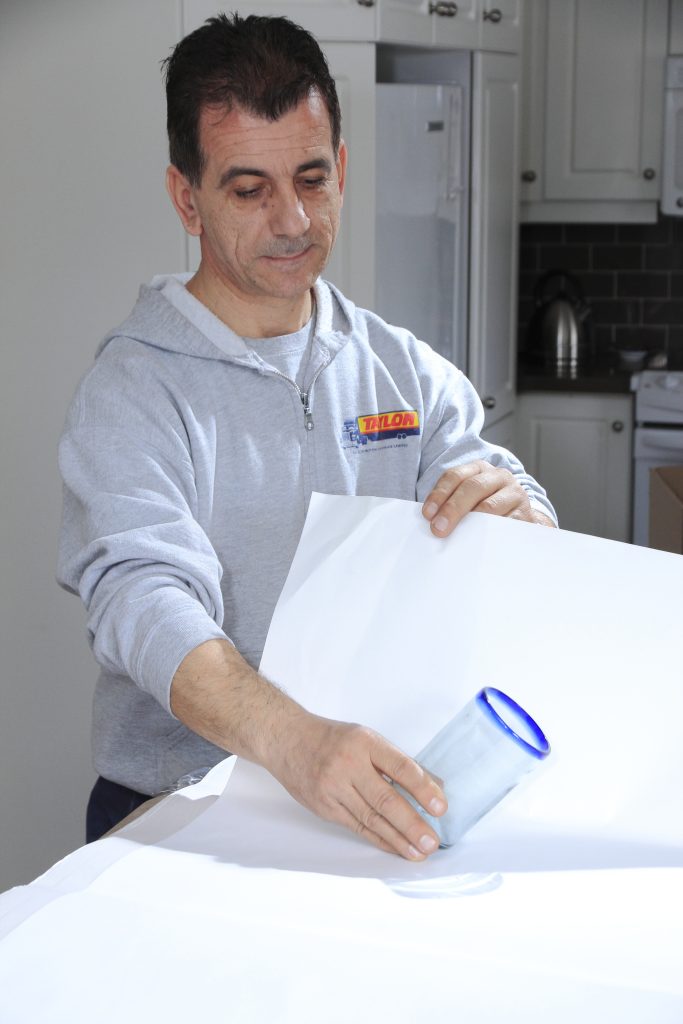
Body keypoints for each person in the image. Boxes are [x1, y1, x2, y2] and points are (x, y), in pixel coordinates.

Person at [58, 13, 556, 856]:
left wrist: (521, 519)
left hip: (367, 798)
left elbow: (504, 487)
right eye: (249, 190)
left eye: (312, 180)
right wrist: (297, 743)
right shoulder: (134, 391)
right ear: (188, 197)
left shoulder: (400, 367)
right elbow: (143, 602)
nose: (292, 220)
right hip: (179, 817)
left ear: (342, 170)